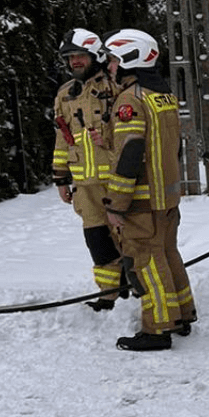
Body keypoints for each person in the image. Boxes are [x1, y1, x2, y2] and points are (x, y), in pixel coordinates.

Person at [100, 28, 197, 351]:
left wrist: (115, 205)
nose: (110, 67)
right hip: (167, 197)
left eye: (114, 60)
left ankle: (157, 329)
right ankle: (182, 314)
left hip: (142, 202)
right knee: (168, 255)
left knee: (146, 262)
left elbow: (131, 153)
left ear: (131, 58)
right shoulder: (164, 96)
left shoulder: (130, 99)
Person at [51, 28, 122, 311]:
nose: (75, 62)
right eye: (70, 57)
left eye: (80, 55)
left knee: (129, 238)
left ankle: (139, 289)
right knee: (97, 241)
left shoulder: (116, 87)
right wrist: (60, 177)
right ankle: (108, 295)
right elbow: (61, 138)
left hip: (118, 181)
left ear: (95, 55)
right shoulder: (65, 94)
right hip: (85, 186)